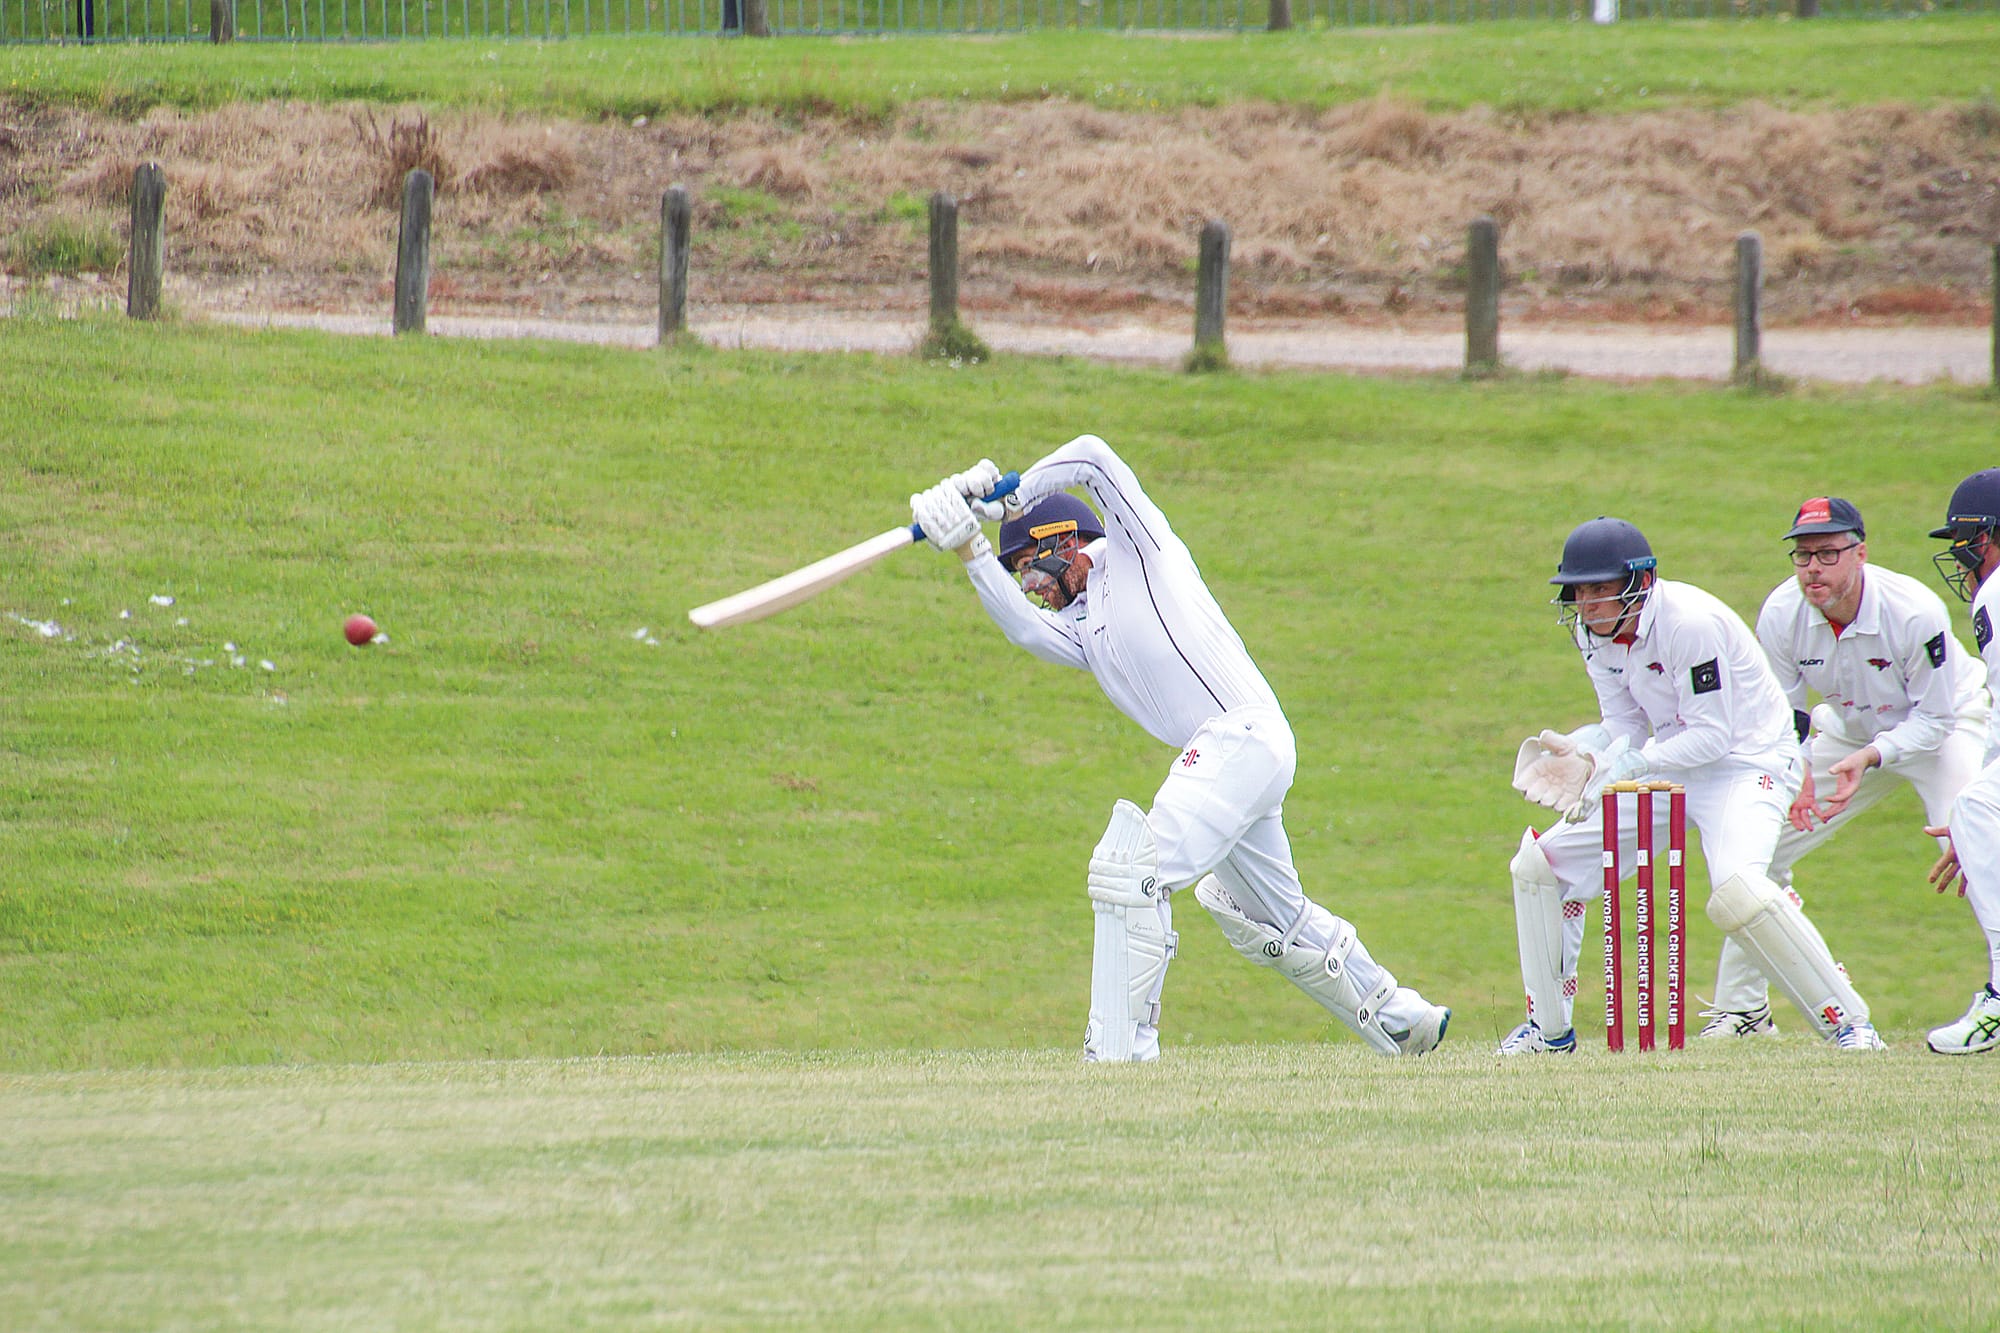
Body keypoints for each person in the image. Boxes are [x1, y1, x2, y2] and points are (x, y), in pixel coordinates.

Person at [907, 435, 1450, 1061]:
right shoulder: (1083, 627)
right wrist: (972, 551)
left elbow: (1093, 457)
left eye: (1027, 567)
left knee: (1134, 871)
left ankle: (1124, 1050)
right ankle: (1404, 1020)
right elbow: (1027, 630)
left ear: (1060, 541)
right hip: (1235, 753)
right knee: (1274, 916)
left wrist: (1012, 497)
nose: (1029, 587)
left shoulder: (1141, 551)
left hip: (1240, 735)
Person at [1506, 516, 1885, 1053]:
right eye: (1579, 591)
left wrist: (1628, 764)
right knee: (1539, 867)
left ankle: (1850, 1023)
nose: (1587, 604)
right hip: (1671, 760)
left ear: (1640, 581)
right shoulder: (1596, 634)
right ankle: (1547, 1032)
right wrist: (1588, 753)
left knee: (1738, 892)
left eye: (1599, 588)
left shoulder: (1688, 623)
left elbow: (1712, 736)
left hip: (1747, 762)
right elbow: (1626, 722)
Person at [1697, 498, 1989, 1038]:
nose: (1814, 568)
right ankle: (1743, 1011)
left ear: (1860, 554)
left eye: (1828, 553)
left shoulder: (1913, 611)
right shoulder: (1781, 613)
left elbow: (1936, 719)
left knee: (1981, 847)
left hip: (1945, 729)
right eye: (1803, 555)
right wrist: (1799, 772)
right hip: (1850, 734)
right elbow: (1782, 713)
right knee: (1759, 852)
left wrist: (1873, 757)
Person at [1920, 468, 2000, 1055]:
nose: (1961, 556)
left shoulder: (1995, 593)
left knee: (1973, 804)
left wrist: (1980, 818)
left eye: (1968, 541)